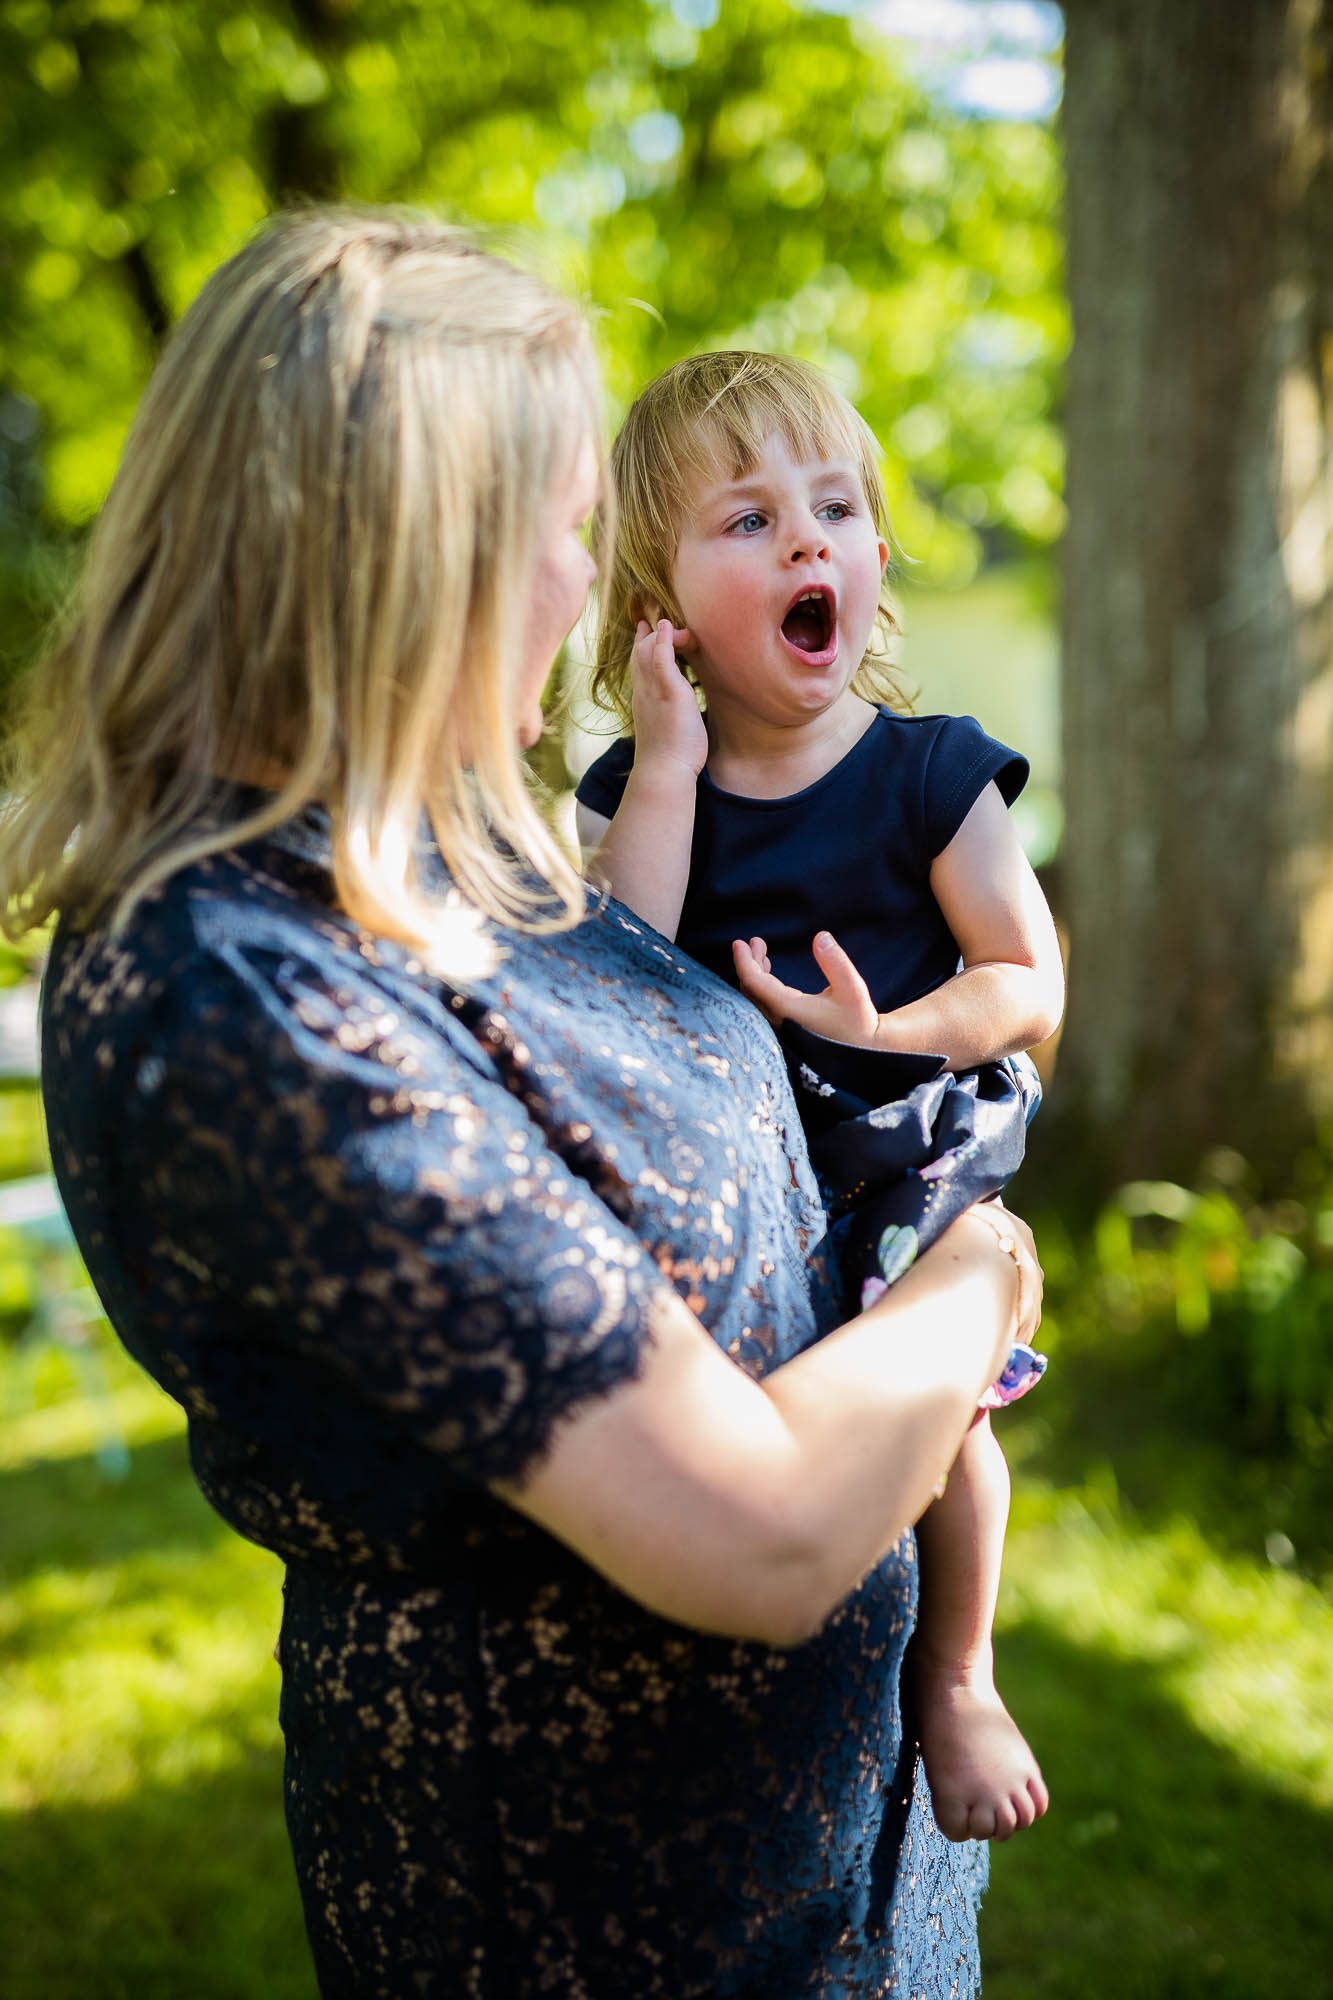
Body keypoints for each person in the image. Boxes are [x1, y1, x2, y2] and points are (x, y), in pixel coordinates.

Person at [2, 211, 1044, 1999]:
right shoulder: (247, 995)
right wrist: (984, 1276)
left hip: (838, 1890)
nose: (582, 594)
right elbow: (760, 1533)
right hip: (596, 1925)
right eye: (563, 535)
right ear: (410, 552)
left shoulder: (436, 857)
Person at [575, 350, 1064, 1847]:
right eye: (749, 520)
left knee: (938, 1412)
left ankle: (961, 1678)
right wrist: (666, 769)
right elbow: (615, 971)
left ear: (871, 561)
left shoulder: (931, 776)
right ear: (657, 607)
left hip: (910, 1154)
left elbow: (1026, 979)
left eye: (835, 509)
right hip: (737, 1180)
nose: (807, 540)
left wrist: (895, 1030)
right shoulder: (639, 787)